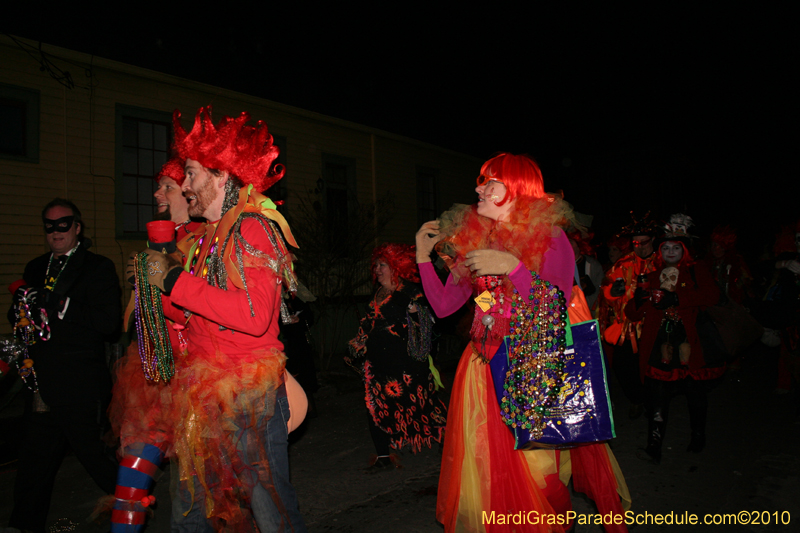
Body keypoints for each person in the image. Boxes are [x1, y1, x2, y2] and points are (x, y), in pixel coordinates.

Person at [416, 153, 629, 533]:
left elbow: (556, 306)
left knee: (541, 472)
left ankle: (559, 524)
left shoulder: (550, 238)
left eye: (491, 182)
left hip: (533, 366)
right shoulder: (476, 238)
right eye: (480, 181)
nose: (479, 189)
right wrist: (421, 256)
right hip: (482, 369)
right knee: (490, 470)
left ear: (516, 190)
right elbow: (445, 306)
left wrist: (512, 268)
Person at [134, 106, 306, 532]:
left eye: (191, 174)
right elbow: (192, 313)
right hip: (202, 389)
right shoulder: (206, 238)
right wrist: (153, 290)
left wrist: (173, 280)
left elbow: (252, 316)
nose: (184, 185)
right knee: (190, 509)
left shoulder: (252, 228)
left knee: (270, 511)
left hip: (249, 392)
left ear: (222, 176)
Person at [7, 198, 120, 533]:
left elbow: (109, 324)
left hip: (79, 386)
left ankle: (135, 511)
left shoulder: (97, 267)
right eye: (49, 225)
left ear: (77, 228)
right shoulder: (35, 267)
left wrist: (60, 304)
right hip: (42, 385)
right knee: (34, 463)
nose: (56, 232)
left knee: (97, 459)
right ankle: (23, 526)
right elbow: (22, 319)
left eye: (63, 224)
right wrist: (20, 312)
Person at [107, 157, 201, 532]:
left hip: (196, 376)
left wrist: (165, 284)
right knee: (130, 483)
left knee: (195, 496)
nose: (157, 193)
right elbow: (140, 318)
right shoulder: (158, 241)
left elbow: (201, 313)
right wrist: (141, 289)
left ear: (187, 191)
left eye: (167, 186)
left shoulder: (205, 240)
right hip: (153, 373)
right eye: (158, 186)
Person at [625, 214, 723, 463]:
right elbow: (633, 313)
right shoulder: (652, 276)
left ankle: (698, 436)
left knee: (695, 393)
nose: (670, 251)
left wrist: (677, 298)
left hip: (691, 343)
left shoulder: (696, 271)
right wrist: (637, 301)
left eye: (675, 247)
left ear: (684, 250)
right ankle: (654, 446)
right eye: (665, 247)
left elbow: (712, 295)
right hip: (661, 343)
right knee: (657, 396)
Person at [347, 243, 447, 468]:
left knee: (421, 406)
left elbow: (431, 322)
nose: (377, 269)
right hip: (377, 363)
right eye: (376, 265)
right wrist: (358, 341)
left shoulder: (410, 291)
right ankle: (383, 456)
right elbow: (370, 322)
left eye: (382, 265)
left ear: (396, 267)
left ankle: (447, 437)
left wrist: (415, 311)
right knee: (374, 406)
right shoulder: (377, 293)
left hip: (407, 364)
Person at [598, 212, 660, 420]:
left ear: (653, 240)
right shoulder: (623, 264)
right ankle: (636, 399)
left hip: (653, 326)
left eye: (645, 242)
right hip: (627, 327)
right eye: (636, 243)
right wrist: (613, 292)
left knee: (653, 368)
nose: (640, 247)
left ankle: (653, 403)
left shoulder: (661, 263)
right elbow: (606, 290)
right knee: (623, 367)